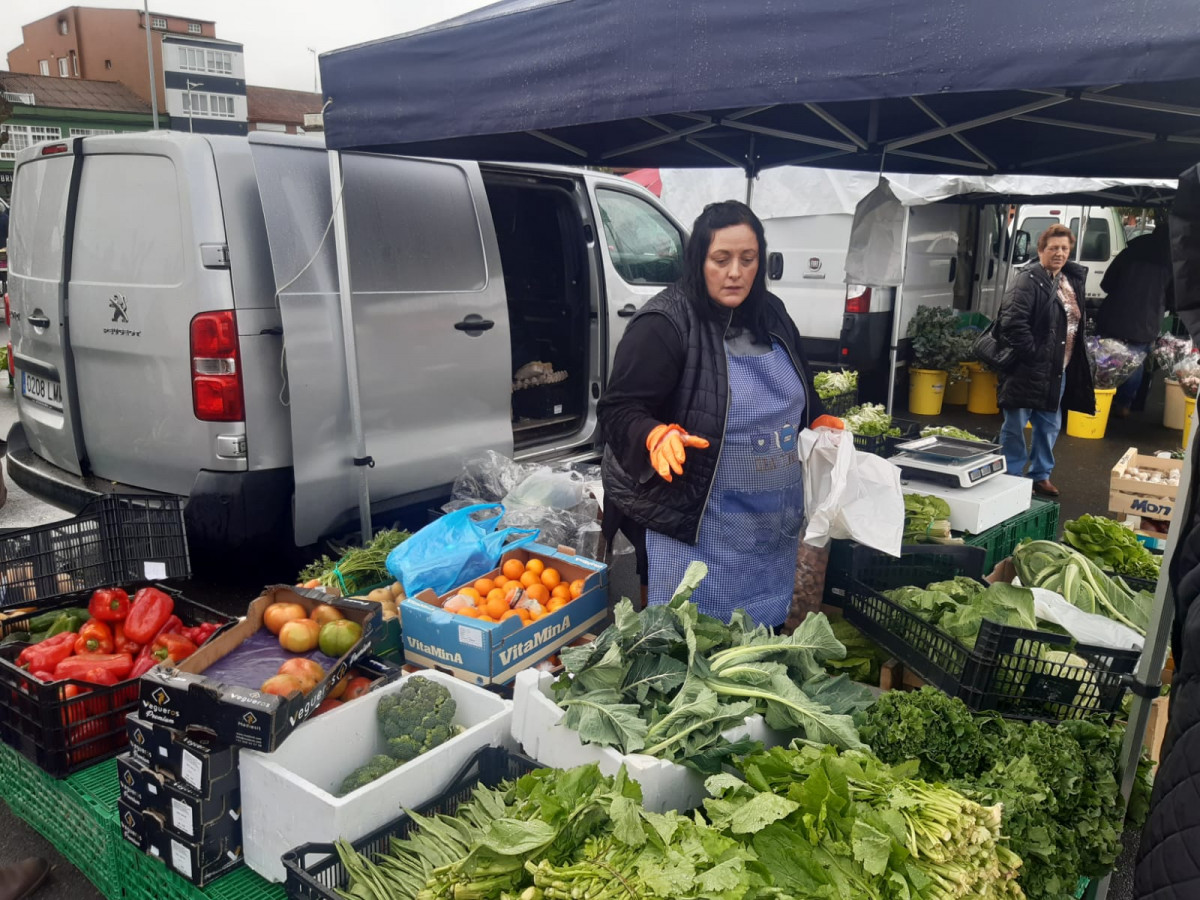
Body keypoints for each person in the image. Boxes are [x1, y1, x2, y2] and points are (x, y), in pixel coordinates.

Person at [597, 200, 822, 627]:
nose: (735, 272)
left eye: (747, 259)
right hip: (687, 521)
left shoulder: (771, 314)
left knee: (754, 637)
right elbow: (618, 407)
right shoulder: (664, 323)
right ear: (699, 259)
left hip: (764, 525)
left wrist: (820, 418)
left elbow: (803, 384)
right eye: (721, 259)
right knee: (684, 635)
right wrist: (653, 435)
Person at [996, 223, 1095, 498]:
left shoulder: (1070, 280)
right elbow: (1013, 323)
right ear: (1041, 250)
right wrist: (1033, 355)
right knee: (1015, 425)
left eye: (1065, 248)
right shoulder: (1028, 279)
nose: (1059, 253)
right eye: (1053, 248)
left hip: (1057, 371)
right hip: (1026, 369)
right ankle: (1012, 475)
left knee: (1049, 426)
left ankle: (1040, 475)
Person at [1094, 222, 1173, 417]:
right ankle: (1123, 405)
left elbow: (1106, 283)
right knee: (1134, 363)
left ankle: (1099, 401)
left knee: (1105, 358)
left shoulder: (1129, 253)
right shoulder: (1171, 263)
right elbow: (1174, 299)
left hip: (1114, 317)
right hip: (1146, 323)